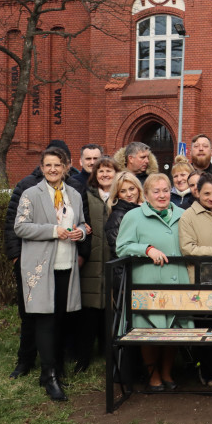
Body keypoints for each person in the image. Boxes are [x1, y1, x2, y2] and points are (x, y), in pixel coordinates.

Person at [4, 138, 88, 380]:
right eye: (48, 165)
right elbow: (20, 227)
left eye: (57, 165)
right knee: (45, 320)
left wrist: (79, 232)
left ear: (65, 168)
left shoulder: (74, 194)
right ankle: (48, 374)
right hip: (41, 266)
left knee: (61, 318)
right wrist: (54, 231)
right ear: (41, 168)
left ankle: (57, 368)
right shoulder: (31, 193)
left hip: (65, 264)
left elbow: (81, 222)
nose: (53, 169)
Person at [115, 174, 191, 391]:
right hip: (148, 283)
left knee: (173, 330)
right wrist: (146, 249)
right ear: (146, 195)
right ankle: (153, 374)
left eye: (165, 190)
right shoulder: (134, 216)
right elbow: (122, 246)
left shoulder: (183, 215)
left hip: (178, 281)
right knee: (149, 330)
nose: (162, 195)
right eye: (156, 191)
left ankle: (167, 372)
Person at [179, 171, 212, 390]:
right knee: (209, 329)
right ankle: (209, 374)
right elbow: (187, 248)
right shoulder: (188, 217)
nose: (211, 198)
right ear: (197, 192)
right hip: (201, 281)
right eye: (207, 193)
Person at [78, 155, 121, 372]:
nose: (105, 174)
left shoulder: (121, 197)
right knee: (88, 315)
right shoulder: (86, 196)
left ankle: (110, 358)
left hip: (113, 260)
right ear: (95, 175)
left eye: (109, 170)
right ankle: (83, 359)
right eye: (101, 171)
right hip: (92, 263)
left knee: (111, 313)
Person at [105, 171, 144, 255]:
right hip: (125, 266)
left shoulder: (145, 209)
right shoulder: (116, 216)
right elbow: (118, 249)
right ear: (117, 194)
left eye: (131, 189)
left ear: (138, 189)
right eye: (123, 191)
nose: (129, 194)